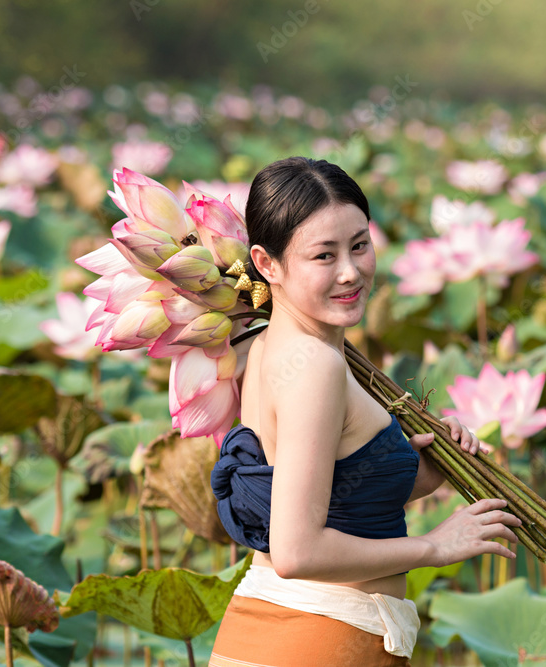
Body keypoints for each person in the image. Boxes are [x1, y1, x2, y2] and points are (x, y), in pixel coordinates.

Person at [209, 156, 522, 667]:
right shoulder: (315, 365)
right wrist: (436, 546)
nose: (351, 272)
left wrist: (420, 468)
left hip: (274, 630)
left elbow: (333, 499)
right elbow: (297, 551)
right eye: (323, 256)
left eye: (359, 245)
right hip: (319, 640)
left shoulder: (271, 347)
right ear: (266, 264)